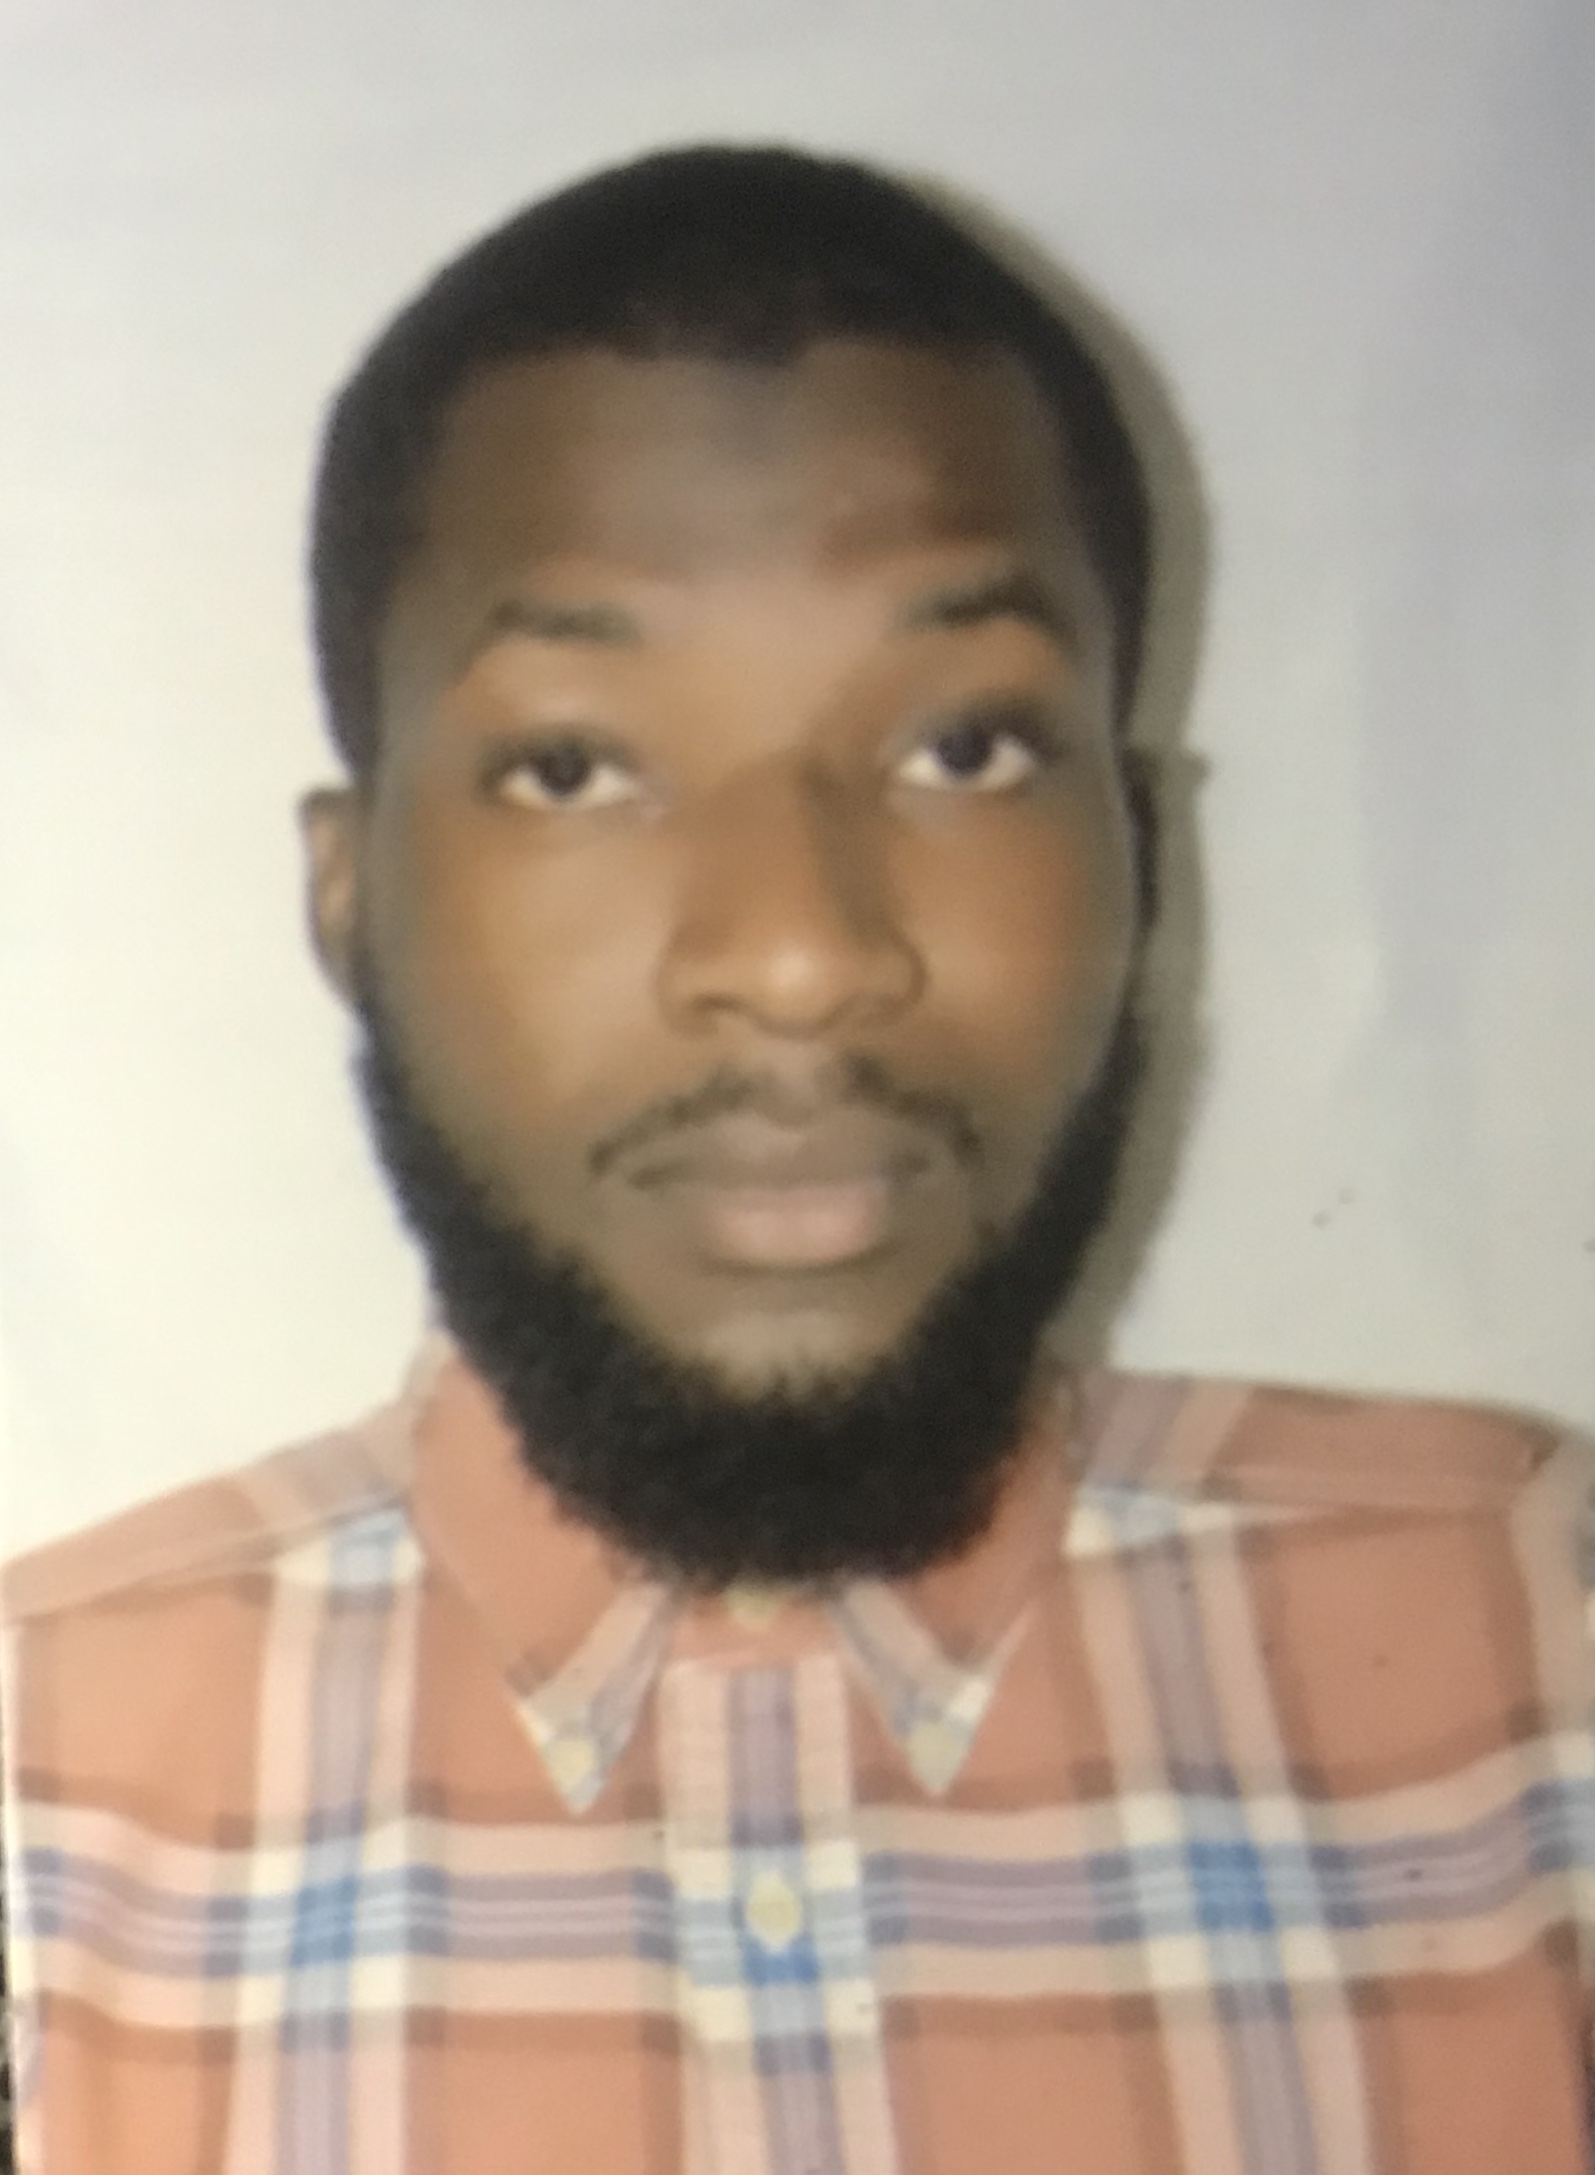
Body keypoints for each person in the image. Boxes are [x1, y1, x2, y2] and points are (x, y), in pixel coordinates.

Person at [2, 143, 1591, 2175]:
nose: (800, 953)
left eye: (963, 749)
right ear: (350, 898)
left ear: (1145, 851)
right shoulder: (40, 1825)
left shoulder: (1541, 1668)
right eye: (571, 764)